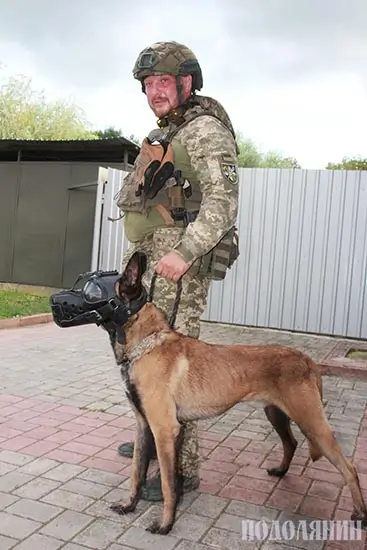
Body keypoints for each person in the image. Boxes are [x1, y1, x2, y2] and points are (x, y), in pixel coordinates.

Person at [114, 40, 240, 501]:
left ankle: (183, 473)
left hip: (180, 271)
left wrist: (184, 253)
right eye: (148, 84)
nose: (154, 92)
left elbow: (223, 204)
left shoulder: (205, 131)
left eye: (163, 82)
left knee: (176, 374)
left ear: (187, 82)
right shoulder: (171, 131)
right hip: (157, 268)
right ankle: (151, 436)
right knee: (147, 364)